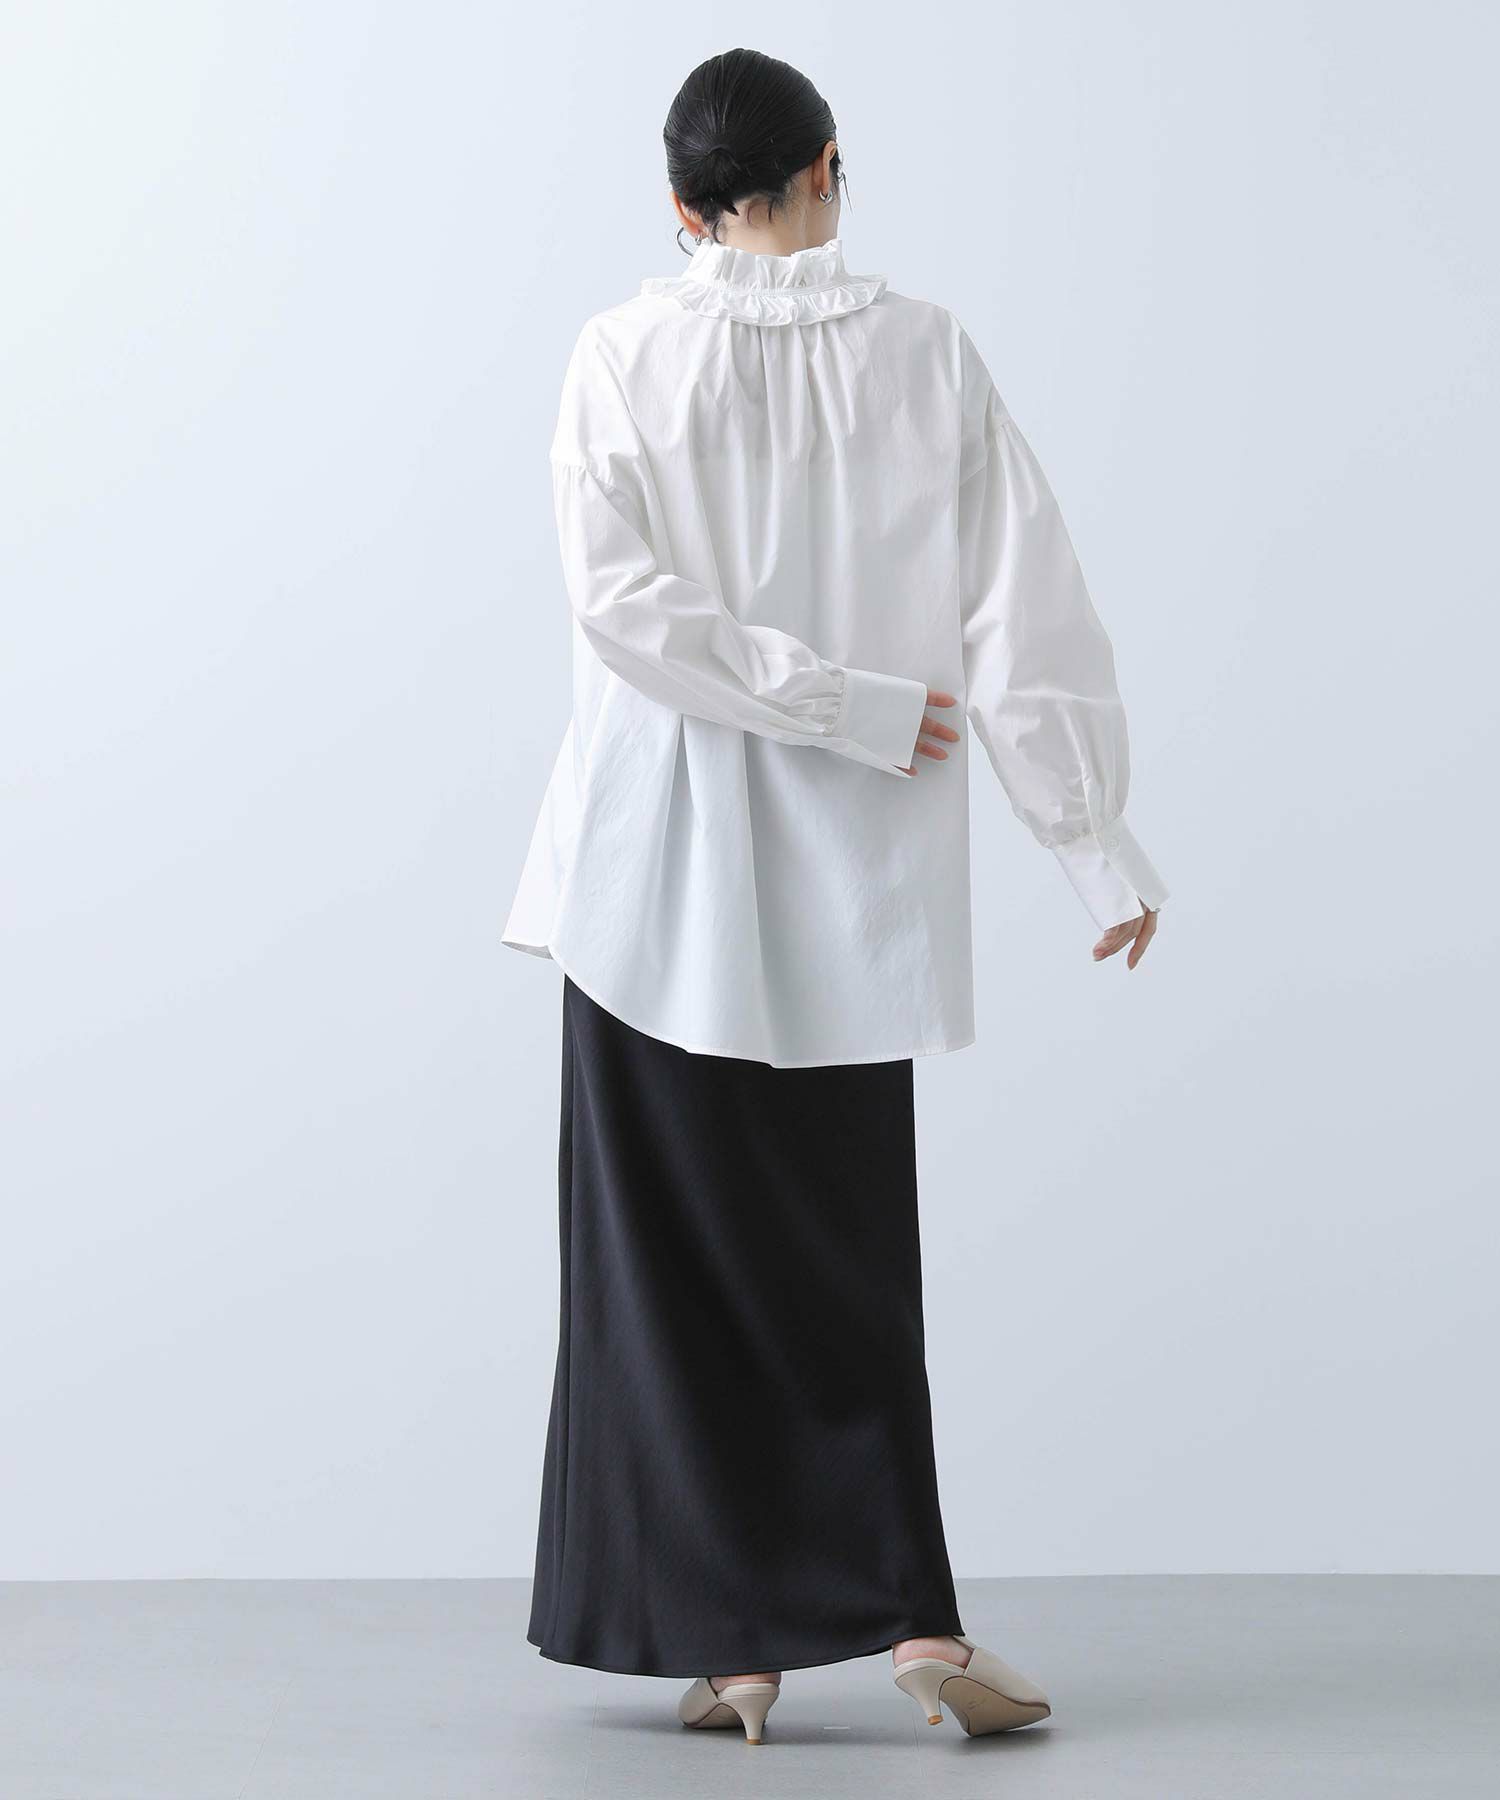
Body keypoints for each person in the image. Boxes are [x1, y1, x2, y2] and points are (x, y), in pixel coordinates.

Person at [503, 46, 1168, 1744]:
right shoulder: (927, 353)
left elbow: (620, 611)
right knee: (849, 1263)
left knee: (667, 1275)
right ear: (826, 167)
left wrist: (821, 702)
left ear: (680, 205)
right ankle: (918, 1627)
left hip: (649, 888)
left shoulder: (619, 353)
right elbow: (1026, 608)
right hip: (853, 893)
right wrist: (1086, 836)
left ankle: (734, 1651)